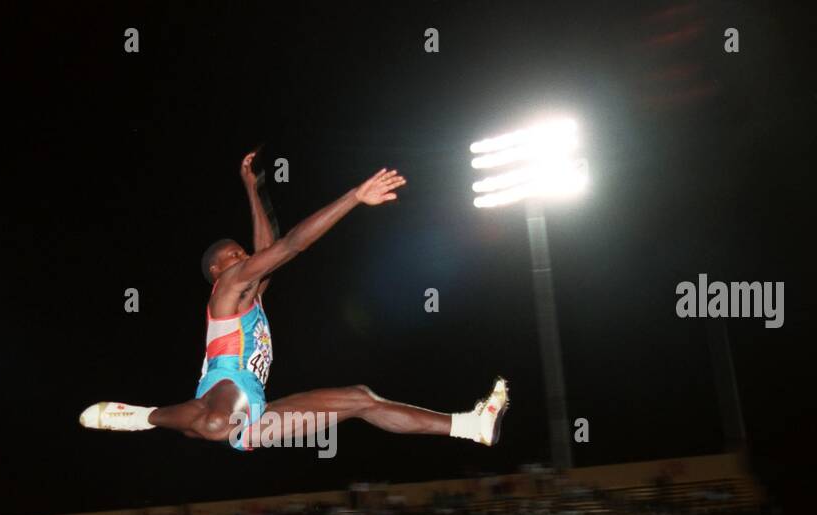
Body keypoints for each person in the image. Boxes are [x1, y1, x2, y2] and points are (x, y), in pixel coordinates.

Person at [80, 149, 510, 451]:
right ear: (218, 269)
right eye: (236, 254)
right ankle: (141, 416)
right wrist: (353, 198)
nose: (245, 257)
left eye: (244, 255)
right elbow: (288, 246)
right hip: (226, 394)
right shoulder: (228, 287)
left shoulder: (251, 292)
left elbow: (269, 250)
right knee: (213, 423)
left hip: (256, 417)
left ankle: (469, 425)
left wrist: (251, 188)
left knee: (360, 398)